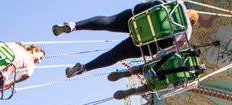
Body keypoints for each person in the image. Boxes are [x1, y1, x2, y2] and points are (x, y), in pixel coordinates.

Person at [52, 2, 200, 78]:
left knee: (109, 21)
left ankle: (74, 26)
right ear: (192, 23)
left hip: (140, 18)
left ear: (187, 11)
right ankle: (84, 67)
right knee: (115, 55)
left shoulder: (178, 4)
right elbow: (165, 53)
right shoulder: (187, 34)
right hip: (146, 43)